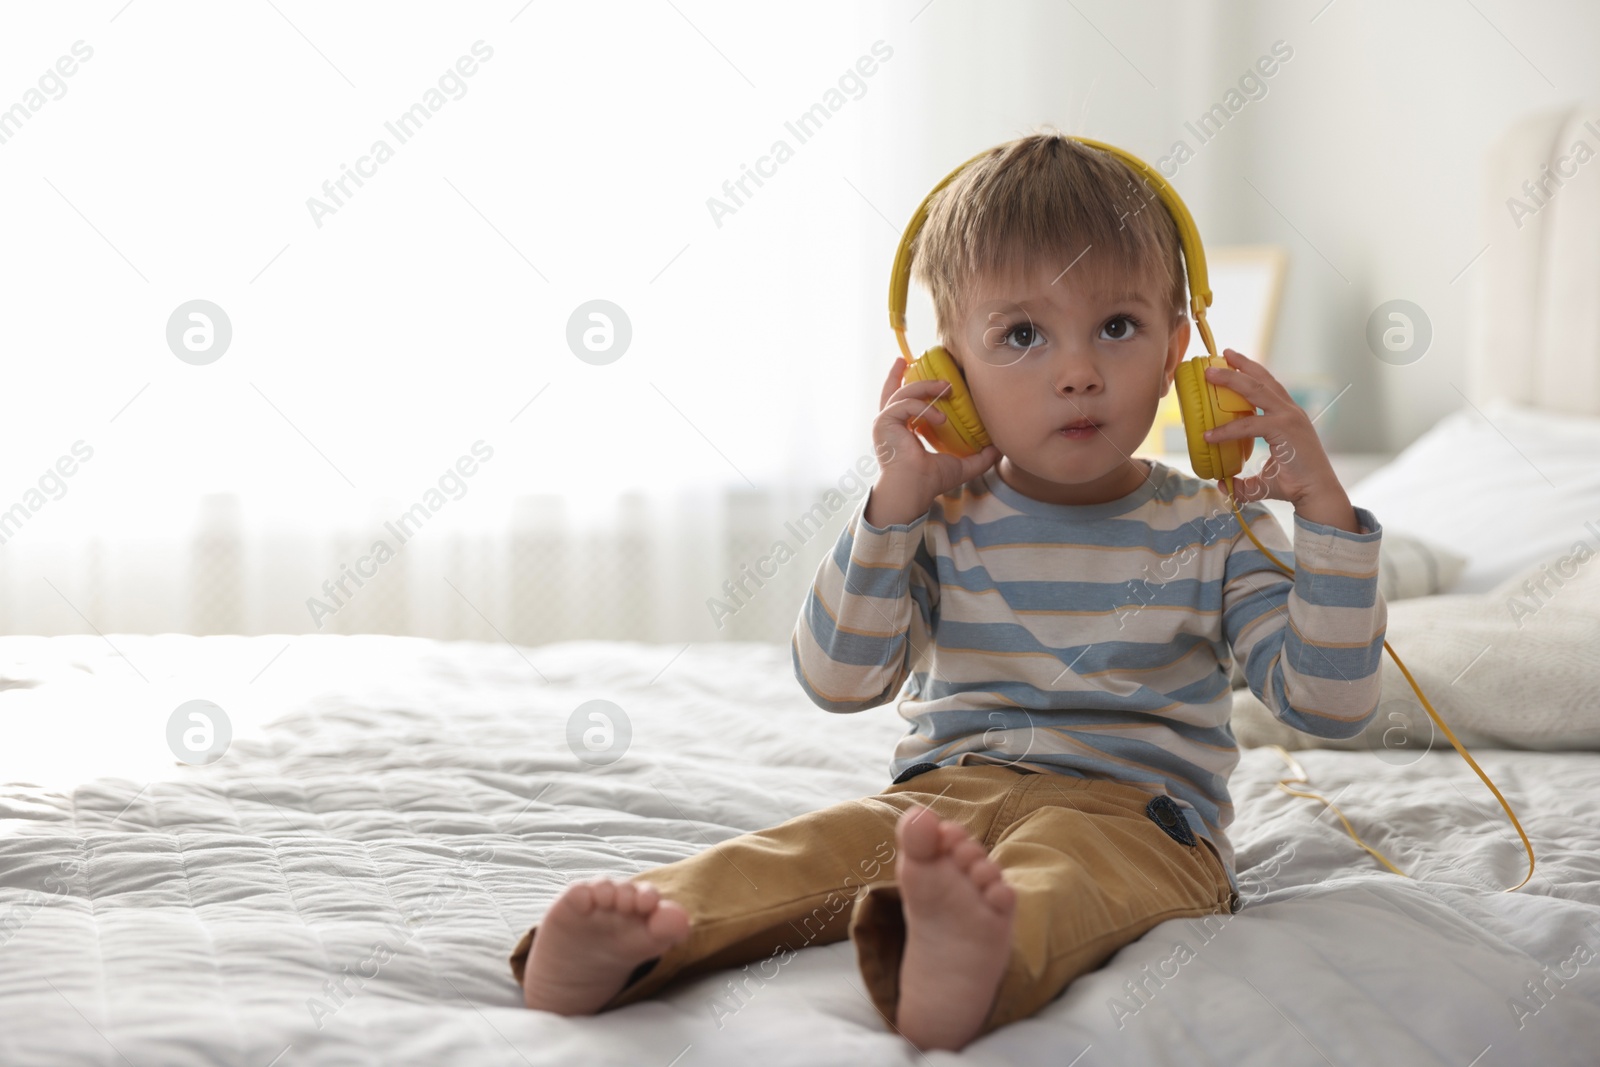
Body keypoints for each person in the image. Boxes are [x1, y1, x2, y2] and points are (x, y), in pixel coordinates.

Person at [510, 132, 1386, 1052]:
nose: (1077, 369)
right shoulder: (940, 517)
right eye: (1022, 335)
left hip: (1135, 816)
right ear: (950, 378)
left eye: (1117, 327)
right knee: (805, 852)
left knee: (1066, 875)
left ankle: (974, 953)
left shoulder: (1215, 524)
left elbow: (1328, 702)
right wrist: (891, 511)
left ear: (1178, 354)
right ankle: (640, 932)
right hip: (938, 796)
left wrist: (1324, 513)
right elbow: (838, 680)